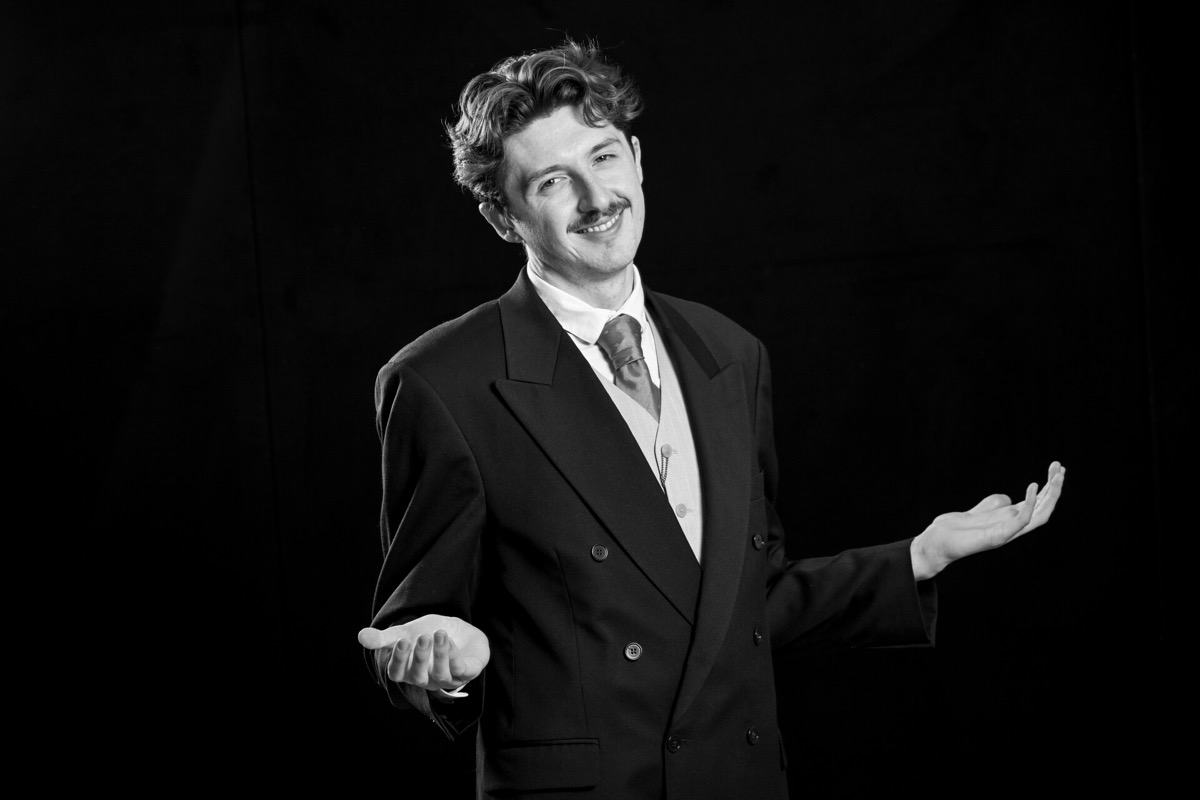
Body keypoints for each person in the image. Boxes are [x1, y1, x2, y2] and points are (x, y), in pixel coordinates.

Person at [358, 39, 1065, 799]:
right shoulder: (442, 382)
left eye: (603, 157)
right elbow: (411, 630)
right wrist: (446, 664)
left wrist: (919, 556)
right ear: (503, 216)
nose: (597, 199)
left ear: (637, 159)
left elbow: (743, 603)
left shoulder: (730, 353)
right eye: (553, 181)